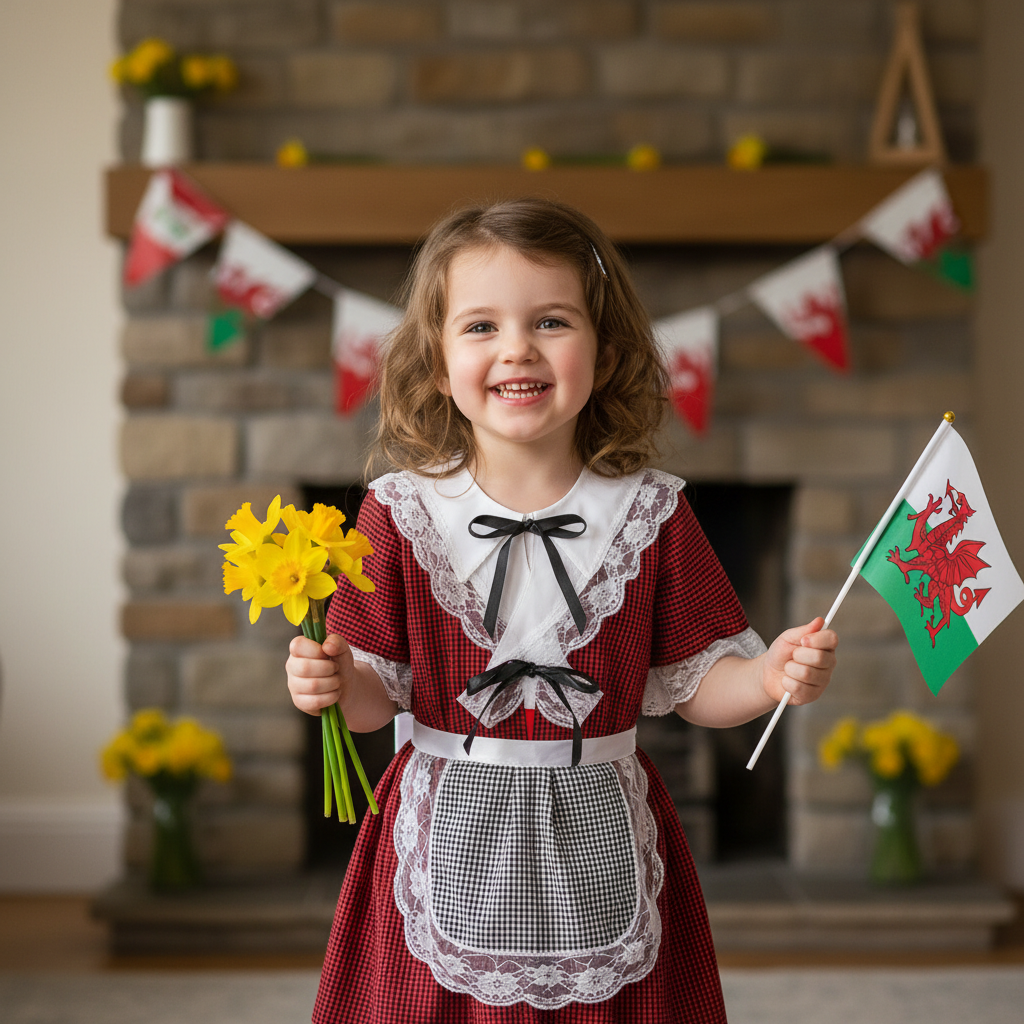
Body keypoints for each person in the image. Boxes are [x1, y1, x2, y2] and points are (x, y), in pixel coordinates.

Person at [286, 198, 838, 1023]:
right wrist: (332, 681)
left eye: (550, 321)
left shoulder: (652, 513)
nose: (517, 348)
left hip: (598, 837)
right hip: (445, 840)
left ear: (605, 353)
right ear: (436, 363)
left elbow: (697, 684)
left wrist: (767, 676)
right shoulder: (398, 513)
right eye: (480, 327)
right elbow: (374, 699)